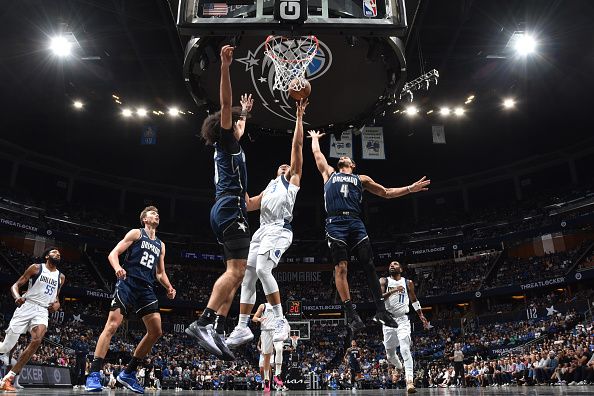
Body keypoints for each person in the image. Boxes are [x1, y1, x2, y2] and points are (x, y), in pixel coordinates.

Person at [308, 131, 430, 333]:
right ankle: (350, 312)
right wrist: (314, 139)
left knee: (369, 265)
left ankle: (381, 311)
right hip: (335, 222)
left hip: (355, 222)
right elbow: (317, 155)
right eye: (342, 157)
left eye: (347, 157)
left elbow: (386, 192)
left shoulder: (361, 179)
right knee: (341, 268)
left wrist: (410, 188)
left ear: (353, 165)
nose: (343, 157)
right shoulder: (329, 173)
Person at [185, 44, 260, 360]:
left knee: (238, 272)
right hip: (229, 208)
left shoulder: (229, 150)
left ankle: (215, 324)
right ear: (225, 126)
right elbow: (226, 105)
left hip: (229, 208)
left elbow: (249, 203)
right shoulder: (226, 142)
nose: (239, 124)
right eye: (235, 122)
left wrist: (247, 113)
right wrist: (227, 67)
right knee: (237, 271)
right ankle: (202, 322)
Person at [227, 98, 309, 350]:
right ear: (276, 171)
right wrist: (236, 185)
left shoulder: (292, 179)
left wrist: (298, 117)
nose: (285, 165)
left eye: (287, 165)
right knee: (247, 274)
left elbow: (296, 146)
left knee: (263, 270)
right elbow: (250, 204)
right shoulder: (270, 186)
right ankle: (242, 326)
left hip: (280, 229)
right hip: (261, 231)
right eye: (281, 165)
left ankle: (281, 319)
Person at [85, 206, 176, 394]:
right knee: (112, 326)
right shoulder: (137, 233)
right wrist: (118, 268)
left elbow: (160, 273)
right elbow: (113, 254)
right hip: (128, 283)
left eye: (158, 213)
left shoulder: (161, 244)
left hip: (146, 288)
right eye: (152, 213)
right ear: (144, 219)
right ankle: (93, 374)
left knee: (156, 331)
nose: (156, 215)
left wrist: (169, 286)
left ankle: (128, 373)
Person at [0, 247, 65, 391]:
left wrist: (57, 305)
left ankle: (8, 378)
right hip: (27, 305)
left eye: (59, 254)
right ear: (47, 256)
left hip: (42, 310)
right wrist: (17, 297)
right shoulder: (36, 268)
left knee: (37, 340)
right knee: (6, 347)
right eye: (54, 252)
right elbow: (15, 285)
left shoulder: (61, 277)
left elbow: (57, 298)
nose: (58, 254)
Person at [380, 261, 429, 393]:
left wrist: (421, 315)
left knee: (405, 349)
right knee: (390, 355)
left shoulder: (408, 282)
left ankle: (409, 382)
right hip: (388, 320)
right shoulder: (384, 280)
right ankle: (399, 367)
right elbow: (380, 298)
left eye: (395, 264)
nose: (391, 265)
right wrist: (394, 290)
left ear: (400, 269)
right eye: (390, 264)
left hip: (403, 319)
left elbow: (414, 299)